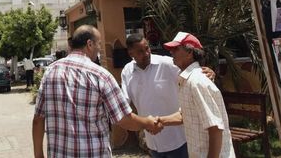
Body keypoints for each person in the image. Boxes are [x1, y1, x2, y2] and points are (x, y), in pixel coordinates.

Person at [32, 25, 162, 158]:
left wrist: (38, 155)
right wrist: (148, 123)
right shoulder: (101, 75)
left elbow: (38, 119)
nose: (99, 48)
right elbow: (124, 119)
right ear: (89, 44)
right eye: (98, 44)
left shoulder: (50, 71)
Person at [122, 34, 215, 158]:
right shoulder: (127, 72)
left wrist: (209, 72)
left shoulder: (167, 63)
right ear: (130, 53)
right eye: (140, 51)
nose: (146, 53)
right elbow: (124, 102)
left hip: (179, 140)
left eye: (147, 48)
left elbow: (193, 74)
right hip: (152, 142)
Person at [158, 32, 235, 158]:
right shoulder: (187, 80)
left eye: (176, 49)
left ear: (190, 53)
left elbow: (215, 128)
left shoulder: (197, 82)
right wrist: (158, 121)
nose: (171, 52)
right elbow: (184, 115)